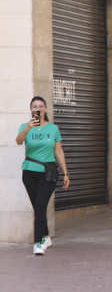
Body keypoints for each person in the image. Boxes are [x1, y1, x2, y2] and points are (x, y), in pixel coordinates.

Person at [15, 96, 70, 255]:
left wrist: (65, 173)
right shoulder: (25, 126)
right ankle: (46, 236)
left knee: (39, 206)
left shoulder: (53, 129)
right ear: (31, 110)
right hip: (29, 172)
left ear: (45, 108)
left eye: (40, 106)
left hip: (48, 174)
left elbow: (58, 150)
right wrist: (27, 128)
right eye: (34, 106)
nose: (37, 108)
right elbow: (19, 141)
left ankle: (38, 242)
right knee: (38, 208)